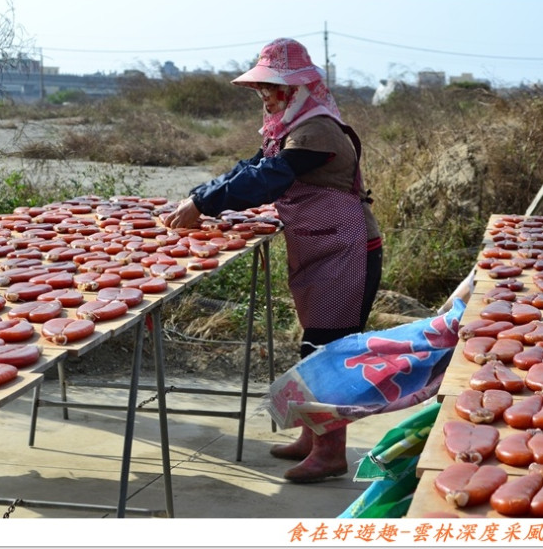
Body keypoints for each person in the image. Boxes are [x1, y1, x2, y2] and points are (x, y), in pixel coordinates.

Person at [161, 38, 382, 483]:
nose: (265, 95)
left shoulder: (317, 129)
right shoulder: (289, 128)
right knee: (314, 345)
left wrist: (203, 204)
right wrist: (203, 195)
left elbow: (268, 178)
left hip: (346, 250)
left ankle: (331, 453)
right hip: (320, 244)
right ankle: (312, 437)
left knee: (327, 351)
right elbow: (250, 167)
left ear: (300, 89)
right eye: (262, 87)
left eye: (274, 87)